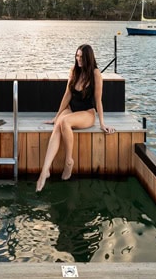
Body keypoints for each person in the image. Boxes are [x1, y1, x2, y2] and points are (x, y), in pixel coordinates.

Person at [36, 44, 115, 192]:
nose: (78, 60)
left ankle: (69, 161)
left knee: (65, 122)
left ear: (88, 58)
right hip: (71, 110)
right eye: (77, 56)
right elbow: (67, 95)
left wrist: (102, 123)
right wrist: (56, 115)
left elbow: (98, 101)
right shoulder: (74, 71)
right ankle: (44, 171)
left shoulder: (96, 74)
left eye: (81, 57)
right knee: (59, 123)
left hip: (87, 113)